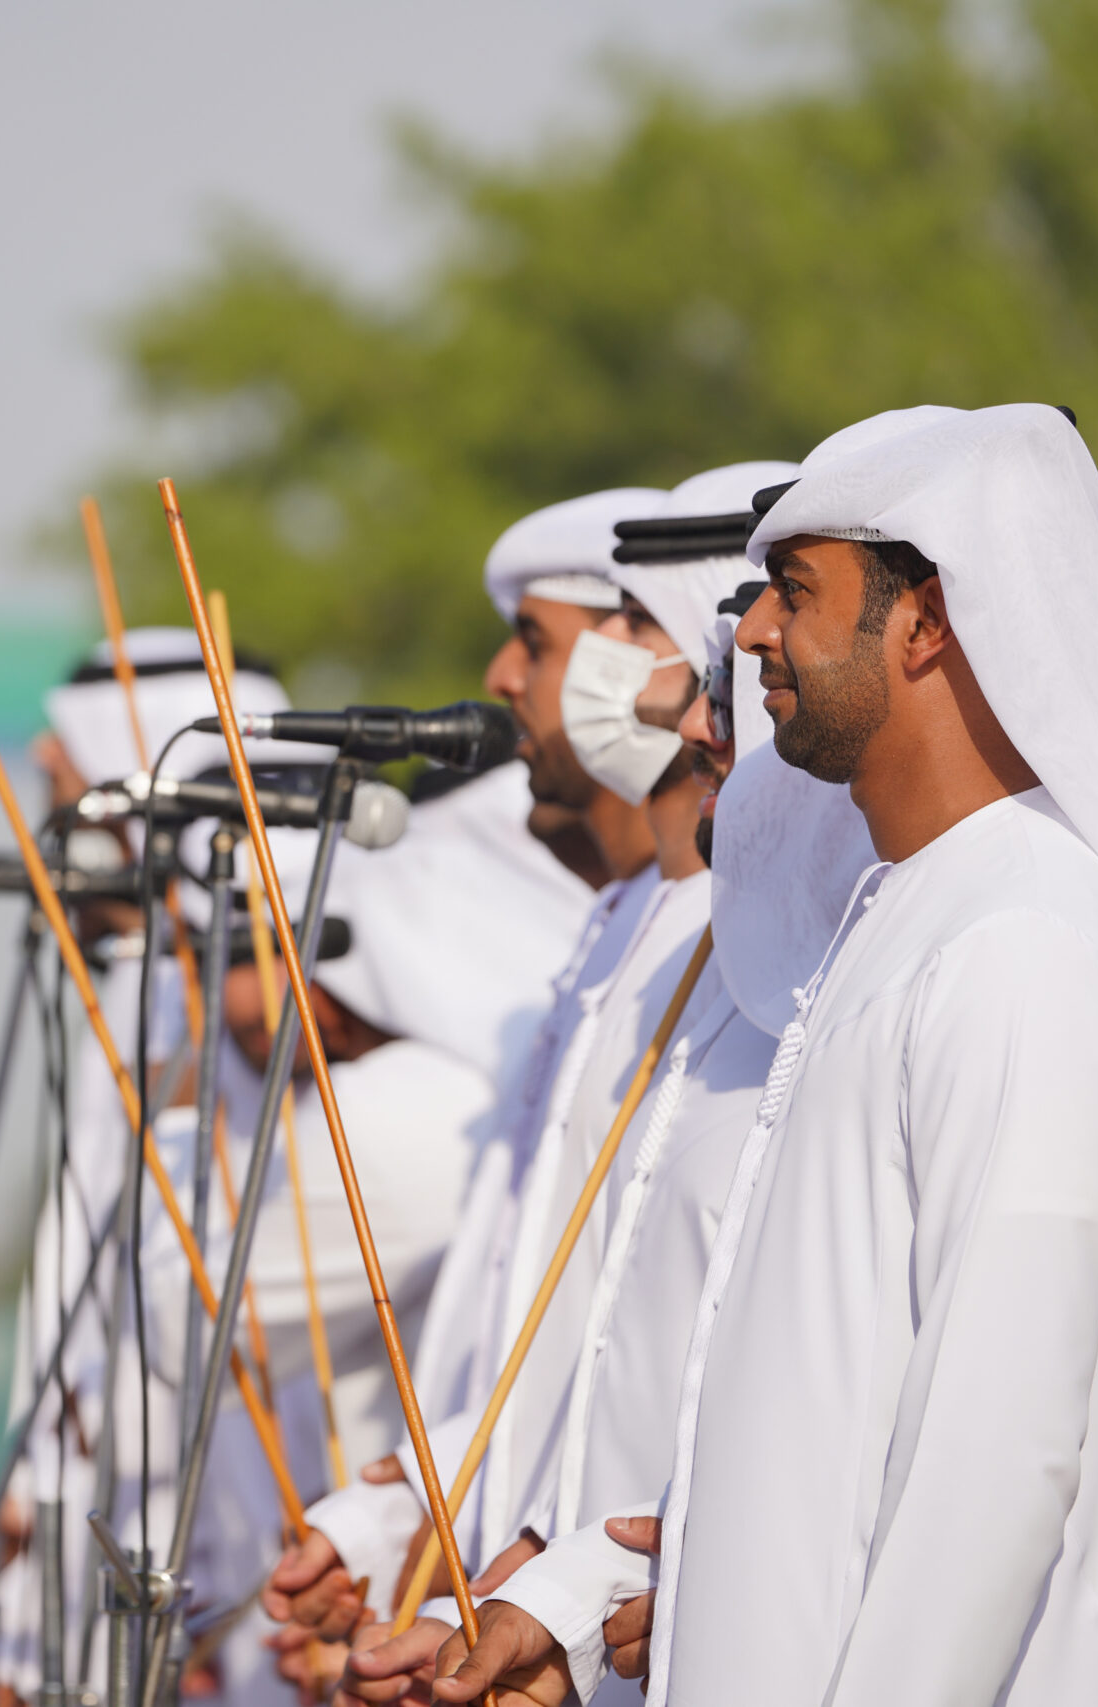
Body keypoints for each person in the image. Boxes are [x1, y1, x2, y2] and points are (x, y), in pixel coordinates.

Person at [439, 403, 1098, 1707]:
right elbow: (831, 1403)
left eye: (791, 591)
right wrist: (580, 1600)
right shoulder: (901, 919)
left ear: (925, 619)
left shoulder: (1029, 943)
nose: (745, 635)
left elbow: (999, 1453)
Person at [339, 465, 868, 1706]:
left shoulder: (847, 950)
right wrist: (494, 1575)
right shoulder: (651, 930)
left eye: (639, 625)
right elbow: (580, 1355)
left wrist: (571, 1595)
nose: (640, 684)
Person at [261, 488, 667, 1699]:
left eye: (533, 644)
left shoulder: (741, 962)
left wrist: (537, 1605)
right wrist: (400, 1530)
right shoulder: (618, 944)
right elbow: (551, 1363)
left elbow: (696, 1365)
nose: (498, 676)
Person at [136, 760, 594, 1700]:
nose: (220, 1002)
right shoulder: (471, 1090)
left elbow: (182, 1326)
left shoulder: (406, 1108)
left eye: (241, 951)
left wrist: (188, 1109)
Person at [0, 629, 318, 1706]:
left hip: (247, 1570)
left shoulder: (241, 1006)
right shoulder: (131, 991)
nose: (50, 830)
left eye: (68, 790)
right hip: (109, 1531)